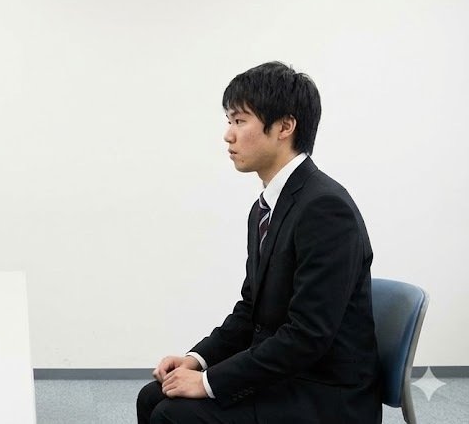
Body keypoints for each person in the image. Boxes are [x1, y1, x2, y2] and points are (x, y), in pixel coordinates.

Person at [136, 62, 380, 424]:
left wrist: (209, 383)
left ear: (284, 126)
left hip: (326, 393)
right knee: (152, 396)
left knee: (175, 415)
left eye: (239, 121)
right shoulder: (266, 207)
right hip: (288, 373)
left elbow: (307, 336)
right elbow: (252, 310)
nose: (228, 135)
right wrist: (197, 360)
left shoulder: (325, 208)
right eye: (229, 121)